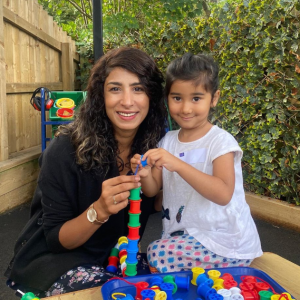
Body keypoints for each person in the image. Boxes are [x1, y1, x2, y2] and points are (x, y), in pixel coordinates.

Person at [4, 47, 167, 296]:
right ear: (100, 96)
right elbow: (57, 240)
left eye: (138, 88)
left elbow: (157, 206)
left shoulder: (154, 146)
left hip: (115, 258)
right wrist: (99, 210)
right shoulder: (64, 150)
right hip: (55, 261)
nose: (127, 100)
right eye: (115, 88)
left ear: (151, 96)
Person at [131, 53, 262, 273]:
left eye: (196, 98)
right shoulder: (168, 141)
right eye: (177, 98)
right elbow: (153, 189)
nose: (186, 108)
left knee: (155, 253)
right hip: (187, 242)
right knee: (157, 253)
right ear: (167, 98)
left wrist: (178, 164)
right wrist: (145, 173)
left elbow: (223, 194)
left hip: (226, 244)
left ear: (214, 98)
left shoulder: (220, 141)